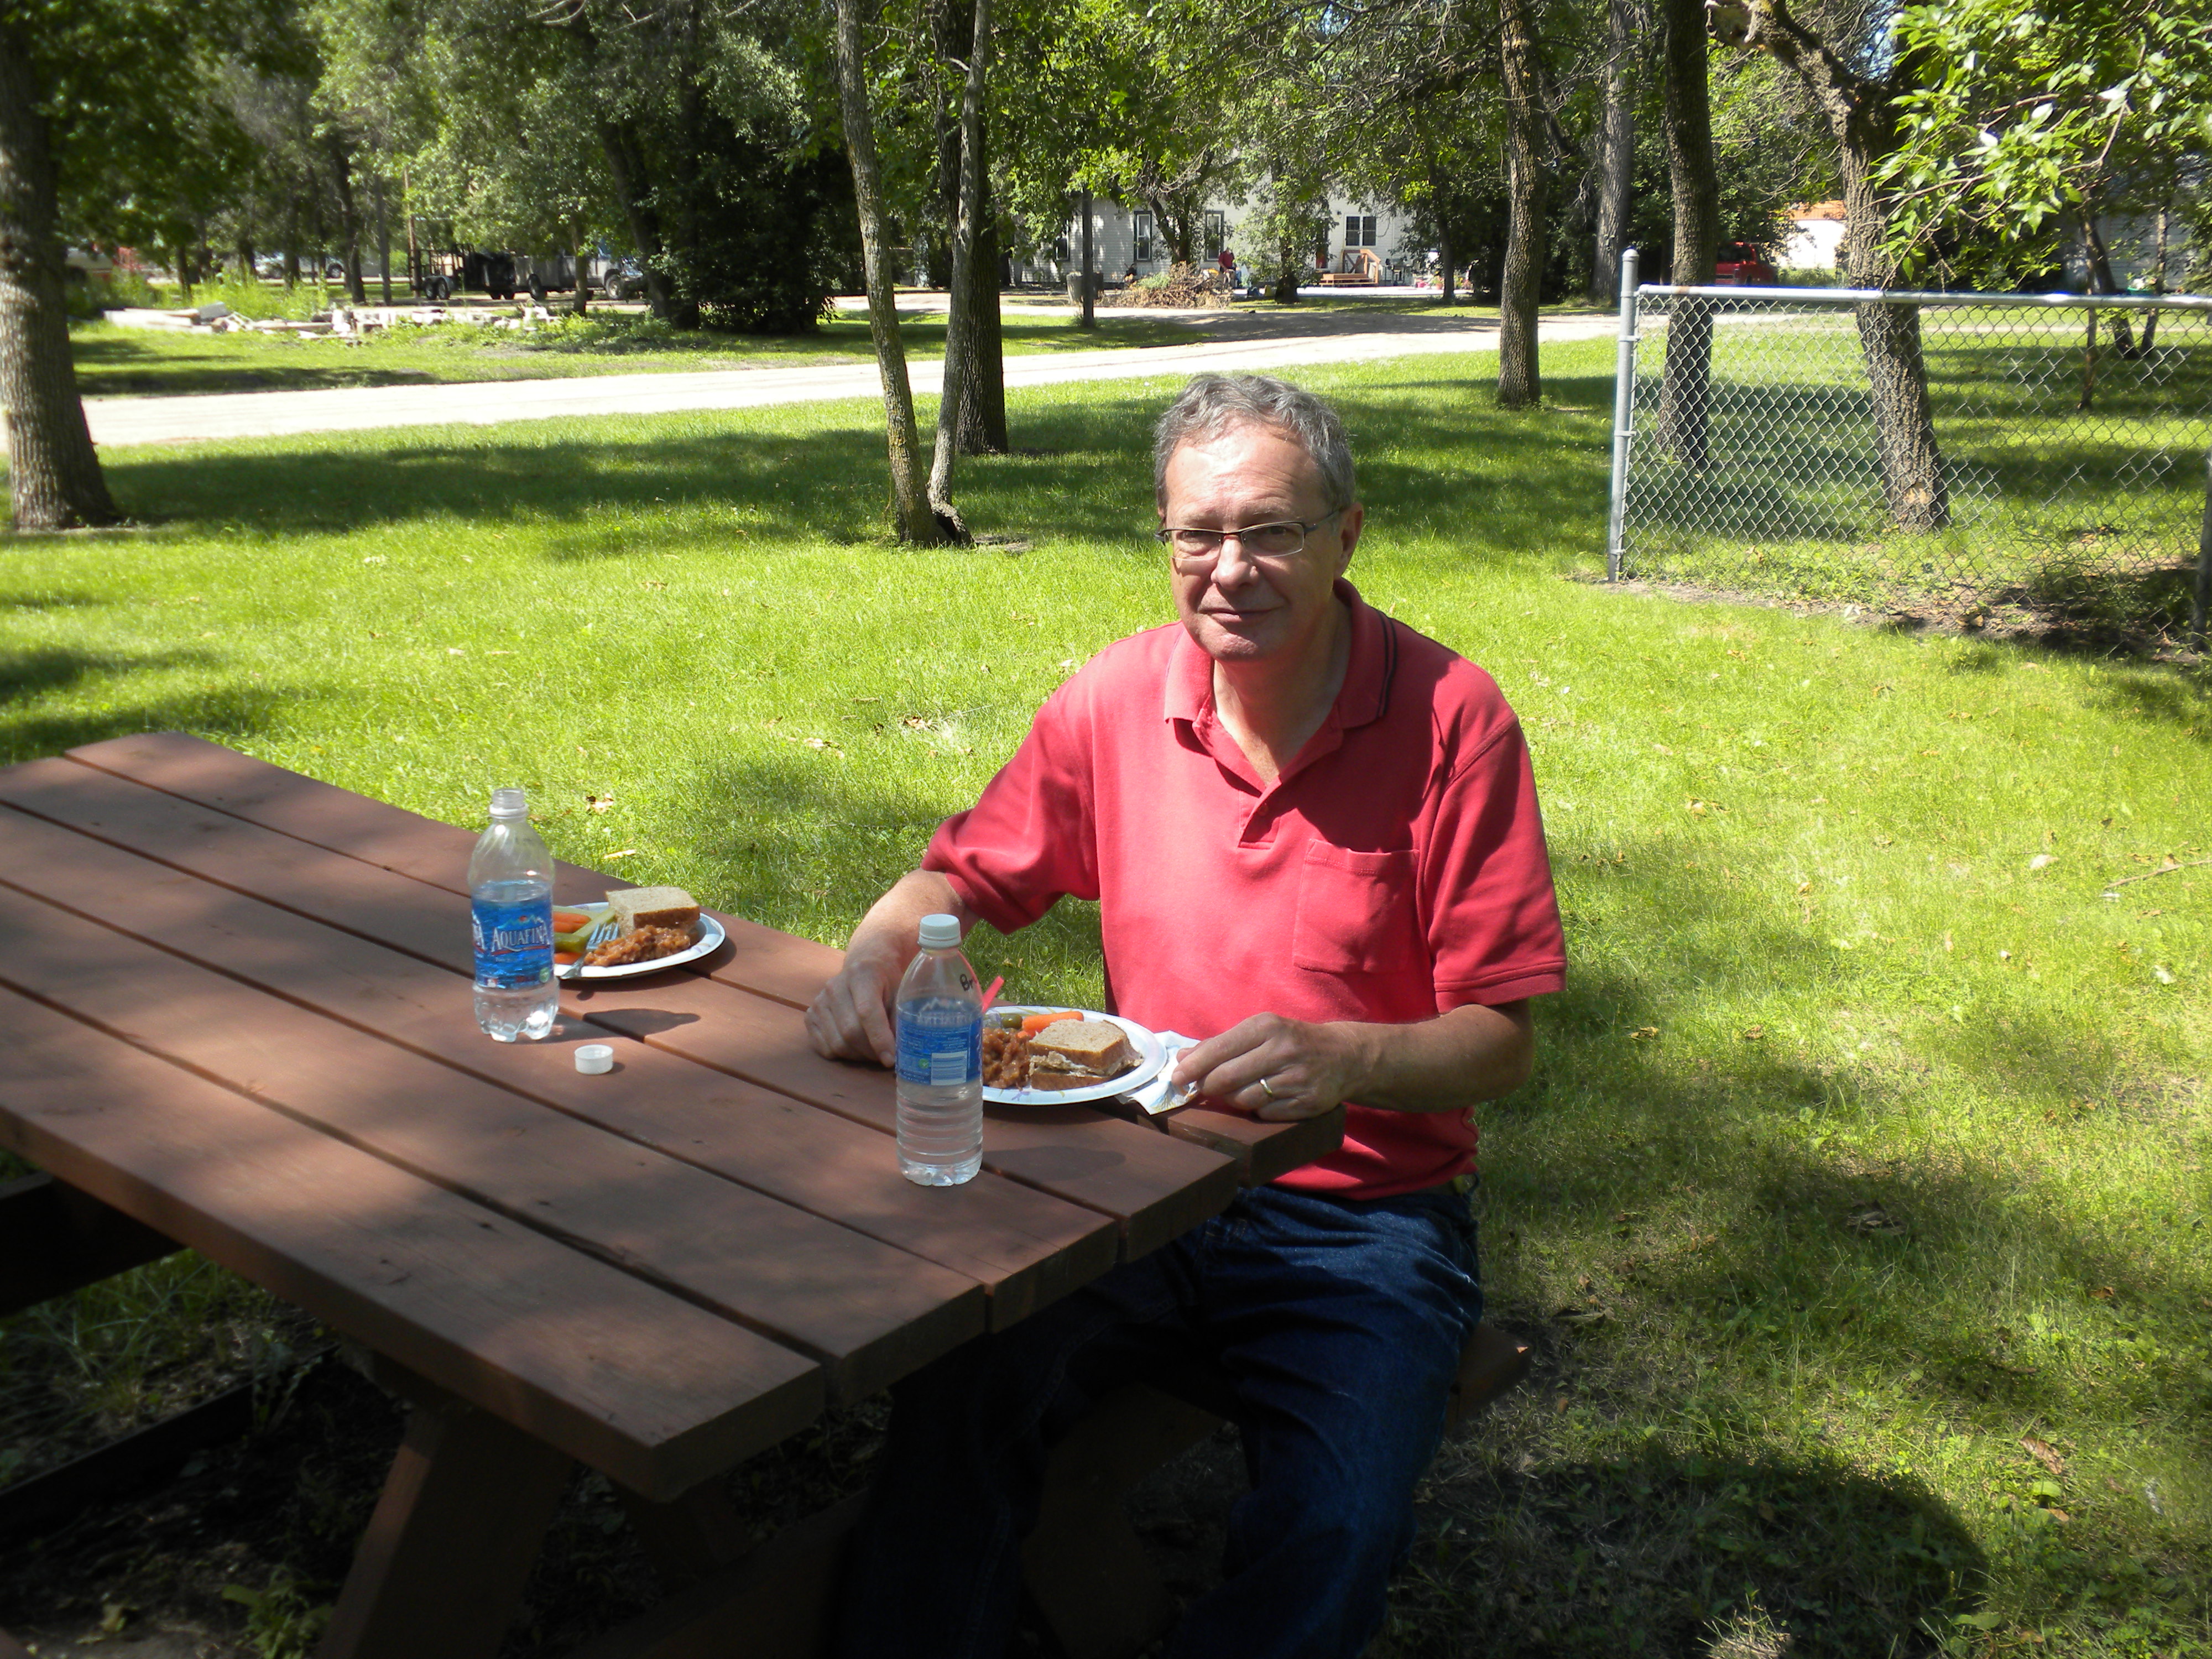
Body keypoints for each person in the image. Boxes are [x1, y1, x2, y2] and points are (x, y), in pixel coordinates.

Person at [807, 372, 1565, 1659]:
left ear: (1345, 536)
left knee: (1335, 1525)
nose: (1229, 570)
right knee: (954, 1401)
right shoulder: (1117, 698)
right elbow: (961, 873)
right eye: (1194, 535)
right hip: (1138, 1180)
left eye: (1270, 531)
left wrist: (1346, 1056)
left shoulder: (1452, 718)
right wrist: (877, 947)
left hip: (1364, 1219)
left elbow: (1499, 1038)